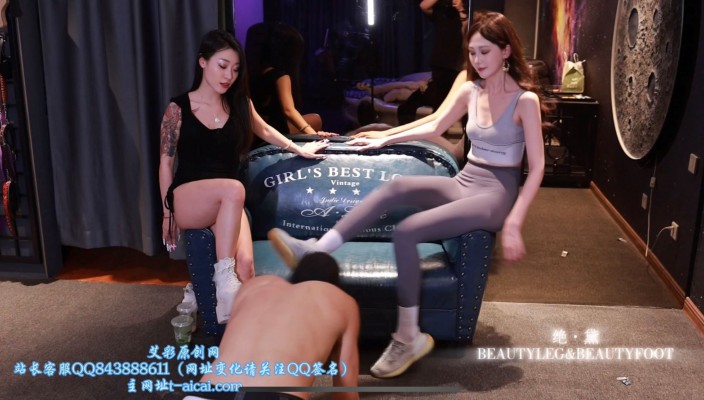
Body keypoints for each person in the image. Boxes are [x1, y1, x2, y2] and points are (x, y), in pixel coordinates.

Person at [267, 11, 546, 378]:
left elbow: (537, 167)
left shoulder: (525, 101)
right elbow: (436, 125)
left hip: (496, 193)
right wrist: (384, 138)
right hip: (467, 179)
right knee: (396, 187)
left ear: (506, 51)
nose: (477, 60)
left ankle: (408, 336)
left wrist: (514, 222)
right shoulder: (470, 90)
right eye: (472, 52)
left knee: (408, 230)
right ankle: (317, 250)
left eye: (485, 52)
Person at [159, 29, 329, 324]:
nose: (229, 76)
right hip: (189, 198)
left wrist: (300, 148)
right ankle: (223, 281)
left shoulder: (239, 103)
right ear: (203, 62)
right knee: (235, 189)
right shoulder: (179, 108)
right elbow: (165, 163)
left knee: (247, 266)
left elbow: (265, 130)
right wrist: (166, 214)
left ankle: (233, 327)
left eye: (236, 69)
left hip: (226, 202)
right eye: (222, 66)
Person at [183, 252, 360, 400]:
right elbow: (346, 392)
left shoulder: (253, 286)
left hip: (207, 391)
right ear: (335, 283)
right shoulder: (343, 301)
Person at [246, 22, 336, 139]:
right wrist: (314, 135)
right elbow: (288, 110)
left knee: (315, 119)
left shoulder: (253, 72)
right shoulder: (281, 76)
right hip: (276, 131)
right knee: (316, 120)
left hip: (258, 130)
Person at [397, 0, 468, 125]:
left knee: (462, 100)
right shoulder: (444, 12)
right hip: (443, 64)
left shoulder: (470, 13)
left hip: (462, 65)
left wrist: (461, 10)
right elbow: (424, 5)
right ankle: (409, 111)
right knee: (439, 104)